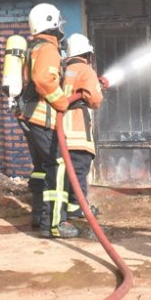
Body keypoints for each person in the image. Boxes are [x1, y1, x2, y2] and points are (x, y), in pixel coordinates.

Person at [16, 3, 80, 239]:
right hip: (41, 117)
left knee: (42, 168)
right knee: (58, 165)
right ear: (51, 22)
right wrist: (62, 102)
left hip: (29, 117)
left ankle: (39, 216)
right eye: (59, 21)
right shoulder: (48, 48)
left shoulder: (34, 47)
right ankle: (54, 223)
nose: (61, 26)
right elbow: (44, 79)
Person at [61, 33, 107, 222]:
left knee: (67, 173)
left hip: (61, 132)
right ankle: (78, 207)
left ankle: (70, 207)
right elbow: (95, 100)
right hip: (77, 132)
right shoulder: (85, 70)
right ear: (86, 54)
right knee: (79, 171)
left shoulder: (64, 69)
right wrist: (97, 87)